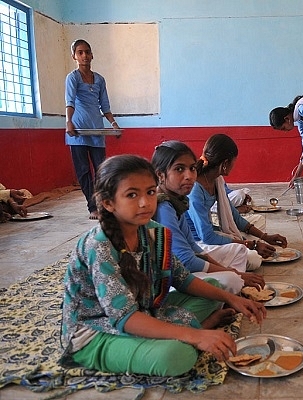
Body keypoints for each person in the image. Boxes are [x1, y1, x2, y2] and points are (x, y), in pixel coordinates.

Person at [60, 154, 266, 377]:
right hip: (96, 332)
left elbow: (183, 278)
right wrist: (196, 336)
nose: (145, 202)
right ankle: (199, 329)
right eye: (131, 195)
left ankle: (191, 330)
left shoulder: (153, 231)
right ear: (108, 203)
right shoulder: (98, 245)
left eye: (150, 192)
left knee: (217, 289)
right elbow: (124, 318)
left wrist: (232, 298)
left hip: (145, 312)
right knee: (176, 357)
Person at [151, 141, 265, 294]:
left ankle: (229, 292)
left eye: (192, 168)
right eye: (179, 169)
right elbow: (187, 258)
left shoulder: (177, 200)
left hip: (187, 261)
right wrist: (234, 273)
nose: (189, 176)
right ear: (160, 175)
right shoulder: (165, 208)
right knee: (233, 279)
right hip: (169, 280)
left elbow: (193, 247)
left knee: (234, 271)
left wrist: (227, 270)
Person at [186, 134, 288, 269]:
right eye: (234, 161)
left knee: (258, 220)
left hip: (213, 232)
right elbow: (207, 237)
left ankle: (243, 245)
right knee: (253, 259)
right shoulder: (195, 190)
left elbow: (233, 215)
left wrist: (264, 236)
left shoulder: (217, 180)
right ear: (225, 164)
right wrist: (252, 244)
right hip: (198, 243)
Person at [65, 39, 120, 220]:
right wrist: (69, 122)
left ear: (92, 54)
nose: (84, 56)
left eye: (87, 52)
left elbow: (105, 105)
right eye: (80, 52)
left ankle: (103, 204)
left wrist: (113, 124)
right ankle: (92, 207)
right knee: (83, 171)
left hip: (96, 130)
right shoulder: (72, 78)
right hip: (78, 132)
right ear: (74, 56)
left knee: (101, 170)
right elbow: (70, 101)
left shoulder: (100, 80)